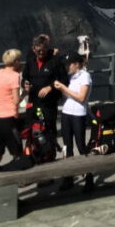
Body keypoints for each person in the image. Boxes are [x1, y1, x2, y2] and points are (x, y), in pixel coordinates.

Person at [53, 54, 94, 192]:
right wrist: (60, 89)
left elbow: (81, 97)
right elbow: (68, 95)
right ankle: (68, 178)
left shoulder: (85, 76)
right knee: (67, 146)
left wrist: (63, 88)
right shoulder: (71, 77)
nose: (67, 67)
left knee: (81, 146)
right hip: (66, 112)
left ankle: (89, 177)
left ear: (76, 64)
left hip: (78, 114)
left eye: (69, 64)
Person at [22, 34, 67, 150]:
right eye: (39, 50)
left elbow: (64, 80)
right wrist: (24, 84)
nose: (41, 53)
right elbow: (24, 77)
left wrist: (50, 87)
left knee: (49, 128)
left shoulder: (55, 61)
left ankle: (50, 152)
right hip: (33, 101)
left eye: (44, 50)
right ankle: (32, 153)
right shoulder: (30, 61)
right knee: (31, 128)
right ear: (34, 49)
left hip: (49, 102)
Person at [0, 49, 23, 173]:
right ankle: (21, 179)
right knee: (17, 152)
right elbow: (16, 100)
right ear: (15, 61)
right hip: (8, 118)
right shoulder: (14, 76)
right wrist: (26, 93)